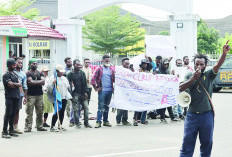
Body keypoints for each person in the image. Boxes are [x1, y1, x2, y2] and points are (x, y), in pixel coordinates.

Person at [179, 41, 230, 157]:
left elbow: (218, 64)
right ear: (194, 64)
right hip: (192, 115)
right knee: (187, 143)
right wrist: (193, 78)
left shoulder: (209, 74)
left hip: (207, 115)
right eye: (197, 64)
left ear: (206, 64)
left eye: (202, 64)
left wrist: (224, 54)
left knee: (207, 143)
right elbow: (180, 88)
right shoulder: (188, 75)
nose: (199, 66)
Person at [67, 59, 92, 128]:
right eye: (77, 65)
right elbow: (67, 85)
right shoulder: (70, 74)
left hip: (83, 94)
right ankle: (77, 123)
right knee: (76, 109)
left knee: (86, 109)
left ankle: (86, 123)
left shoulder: (82, 73)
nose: (79, 66)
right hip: (75, 94)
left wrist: (86, 93)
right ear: (74, 65)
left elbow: (85, 84)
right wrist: (70, 96)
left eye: (79, 65)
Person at [91, 54, 115, 128]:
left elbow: (114, 79)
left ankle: (105, 121)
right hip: (102, 91)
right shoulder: (99, 68)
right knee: (101, 107)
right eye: (106, 60)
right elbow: (92, 80)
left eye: (108, 60)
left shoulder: (112, 69)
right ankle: (98, 121)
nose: (107, 62)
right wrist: (96, 88)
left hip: (110, 90)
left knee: (107, 106)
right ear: (103, 60)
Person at [47, 64, 72, 132]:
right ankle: (52, 126)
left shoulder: (64, 78)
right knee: (57, 111)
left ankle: (60, 125)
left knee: (62, 112)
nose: (62, 73)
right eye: (60, 72)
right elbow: (49, 89)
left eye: (62, 72)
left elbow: (67, 87)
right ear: (56, 71)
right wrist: (52, 83)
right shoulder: (52, 78)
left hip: (64, 97)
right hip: (56, 98)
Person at [24, 58, 47, 132]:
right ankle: (28, 127)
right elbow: (30, 82)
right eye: (33, 63)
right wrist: (39, 82)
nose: (35, 65)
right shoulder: (28, 73)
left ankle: (39, 126)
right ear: (30, 64)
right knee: (29, 112)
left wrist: (35, 82)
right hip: (30, 95)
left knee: (40, 112)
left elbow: (43, 81)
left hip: (40, 95)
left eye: (36, 63)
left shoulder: (40, 73)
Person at [154, 58, 180, 123]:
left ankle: (172, 117)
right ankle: (162, 118)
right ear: (162, 64)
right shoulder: (157, 70)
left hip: (167, 90)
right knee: (163, 105)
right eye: (165, 64)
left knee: (169, 103)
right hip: (160, 91)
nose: (166, 66)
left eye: (167, 64)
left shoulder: (167, 71)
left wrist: (174, 75)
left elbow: (170, 79)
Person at [2, 59, 22, 138]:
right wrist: (18, 84)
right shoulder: (6, 75)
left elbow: (19, 84)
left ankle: (11, 130)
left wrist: (16, 84)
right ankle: (4, 131)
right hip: (9, 97)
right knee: (8, 114)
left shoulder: (15, 74)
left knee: (13, 114)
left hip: (16, 97)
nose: (15, 66)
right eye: (13, 65)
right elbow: (10, 85)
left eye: (15, 64)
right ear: (9, 65)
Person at [133, 59, 150, 126]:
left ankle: (143, 119)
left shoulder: (147, 72)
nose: (145, 65)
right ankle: (135, 119)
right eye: (144, 63)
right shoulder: (138, 71)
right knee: (137, 105)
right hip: (138, 91)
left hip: (145, 91)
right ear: (141, 64)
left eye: (146, 64)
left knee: (145, 105)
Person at [13, 58, 28, 134]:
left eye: (21, 63)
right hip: (11, 95)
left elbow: (24, 86)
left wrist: (25, 97)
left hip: (20, 95)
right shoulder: (12, 72)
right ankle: (10, 128)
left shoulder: (23, 74)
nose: (20, 64)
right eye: (19, 62)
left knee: (17, 111)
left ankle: (15, 127)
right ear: (15, 64)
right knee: (11, 111)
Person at [116, 57, 131, 126]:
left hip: (127, 91)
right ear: (122, 63)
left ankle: (125, 120)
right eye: (126, 63)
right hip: (120, 91)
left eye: (128, 63)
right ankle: (118, 120)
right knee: (120, 105)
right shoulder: (119, 69)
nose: (127, 64)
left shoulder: (129, 71)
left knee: (126, 106)